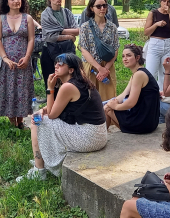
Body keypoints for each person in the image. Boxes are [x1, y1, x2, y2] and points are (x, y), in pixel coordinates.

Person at [17, 53, 107, 181]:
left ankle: (39, 171)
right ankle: (43, 161)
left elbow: (53, 114)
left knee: (39, 122)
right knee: (40, 117)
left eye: (61, 64)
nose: (56, 66)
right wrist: (42, 110)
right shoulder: (79, 82)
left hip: (90, 137)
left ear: (71, 70)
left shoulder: (68, 87)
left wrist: (50, 88)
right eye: (56, 63)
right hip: (98, 135)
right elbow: (57, 108)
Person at [0, 0, 35, 129]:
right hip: (7, 61)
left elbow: (31, 39)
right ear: (7, 2)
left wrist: (27, 57)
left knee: (22, 89)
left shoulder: (28, 18)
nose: (16, 1)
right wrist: (4, 58)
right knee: (8, 89)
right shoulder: (0, 19)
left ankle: (20, 122)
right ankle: (12, 123)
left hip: (23, 61)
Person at [104, 44, 160, 134]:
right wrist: (113, 102)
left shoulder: (139, 75)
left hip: (143, 123)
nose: (125, 59)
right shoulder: (137, 73)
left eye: (128, 55)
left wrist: (115, 106)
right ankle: (107, 134)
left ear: (137, 58)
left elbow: (131, 102)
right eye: (123, 56)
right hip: (150, 122)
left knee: (108, 109)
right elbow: (123, 94)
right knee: (108, 106)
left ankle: (103, 136)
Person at [79, 0, 120, 101]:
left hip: (107, 67)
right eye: (98, 6)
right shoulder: (85, 27)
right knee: (90, 99)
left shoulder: (112, 27)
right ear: (92, 8)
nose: (102, 9)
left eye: (104, 6)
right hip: (91, 67)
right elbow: (84, 50)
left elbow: (116, 49)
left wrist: (105, 69)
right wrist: (99, 68)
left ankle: (108, 118)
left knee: (108, 99)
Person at [40, 0, 79, 88]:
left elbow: (77, 31)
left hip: (67, 52)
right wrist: (69, 36)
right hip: (49, 54)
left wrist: (59, 32)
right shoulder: (45, 15)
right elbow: (49, 37)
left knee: (70, 83)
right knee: (52, 84)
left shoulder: (67, 13)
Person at [143, 0, 170, 91]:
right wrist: (156, 24)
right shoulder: (153, 13)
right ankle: (150, 96)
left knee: (165, 74)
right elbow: (146, 32)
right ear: (160, 1)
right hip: (155, 44)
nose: (166, 4)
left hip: (167, 45)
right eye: (164, 1)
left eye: (169, 2)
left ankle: (163, 97)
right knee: (150, 73)